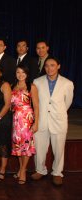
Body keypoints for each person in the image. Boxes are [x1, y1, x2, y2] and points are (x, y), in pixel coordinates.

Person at [32, 57, 74, 186]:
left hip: (58, 121)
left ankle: (57, 173)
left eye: (52, 65)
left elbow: (67, 103)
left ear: (58, 66)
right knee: (39, 148)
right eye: (47, 66)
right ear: (44, 68)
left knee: (59, 149)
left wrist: (57, 113)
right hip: (41, 120)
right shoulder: (37, 82)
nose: (49, 68)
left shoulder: (67, 83)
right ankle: (40, 170)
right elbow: (35, 103)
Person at [11, 64, 39, 184]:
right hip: (16, 118)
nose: (20, 75)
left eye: (23, 72)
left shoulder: (31, 86)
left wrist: (36, 122)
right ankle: (22, 168)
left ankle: (22, 171)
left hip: (27, 118)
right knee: (18, 145)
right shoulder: (13, 86)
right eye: (18, 72)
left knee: (26, 145)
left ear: (27, 74)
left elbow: (37, 106)